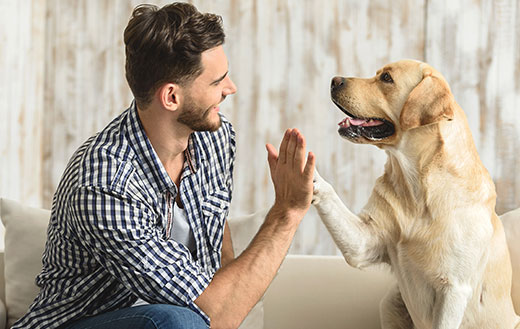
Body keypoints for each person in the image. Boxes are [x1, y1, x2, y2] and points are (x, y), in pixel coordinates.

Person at [14, 2, 315, 329]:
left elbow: (219, 254)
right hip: (80, 323)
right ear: (171, 97)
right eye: (217, 82)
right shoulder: (104, 182)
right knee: (174, 321)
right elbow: (216, 314)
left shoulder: (215, 138)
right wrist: (287, 212)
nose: (231, 89)